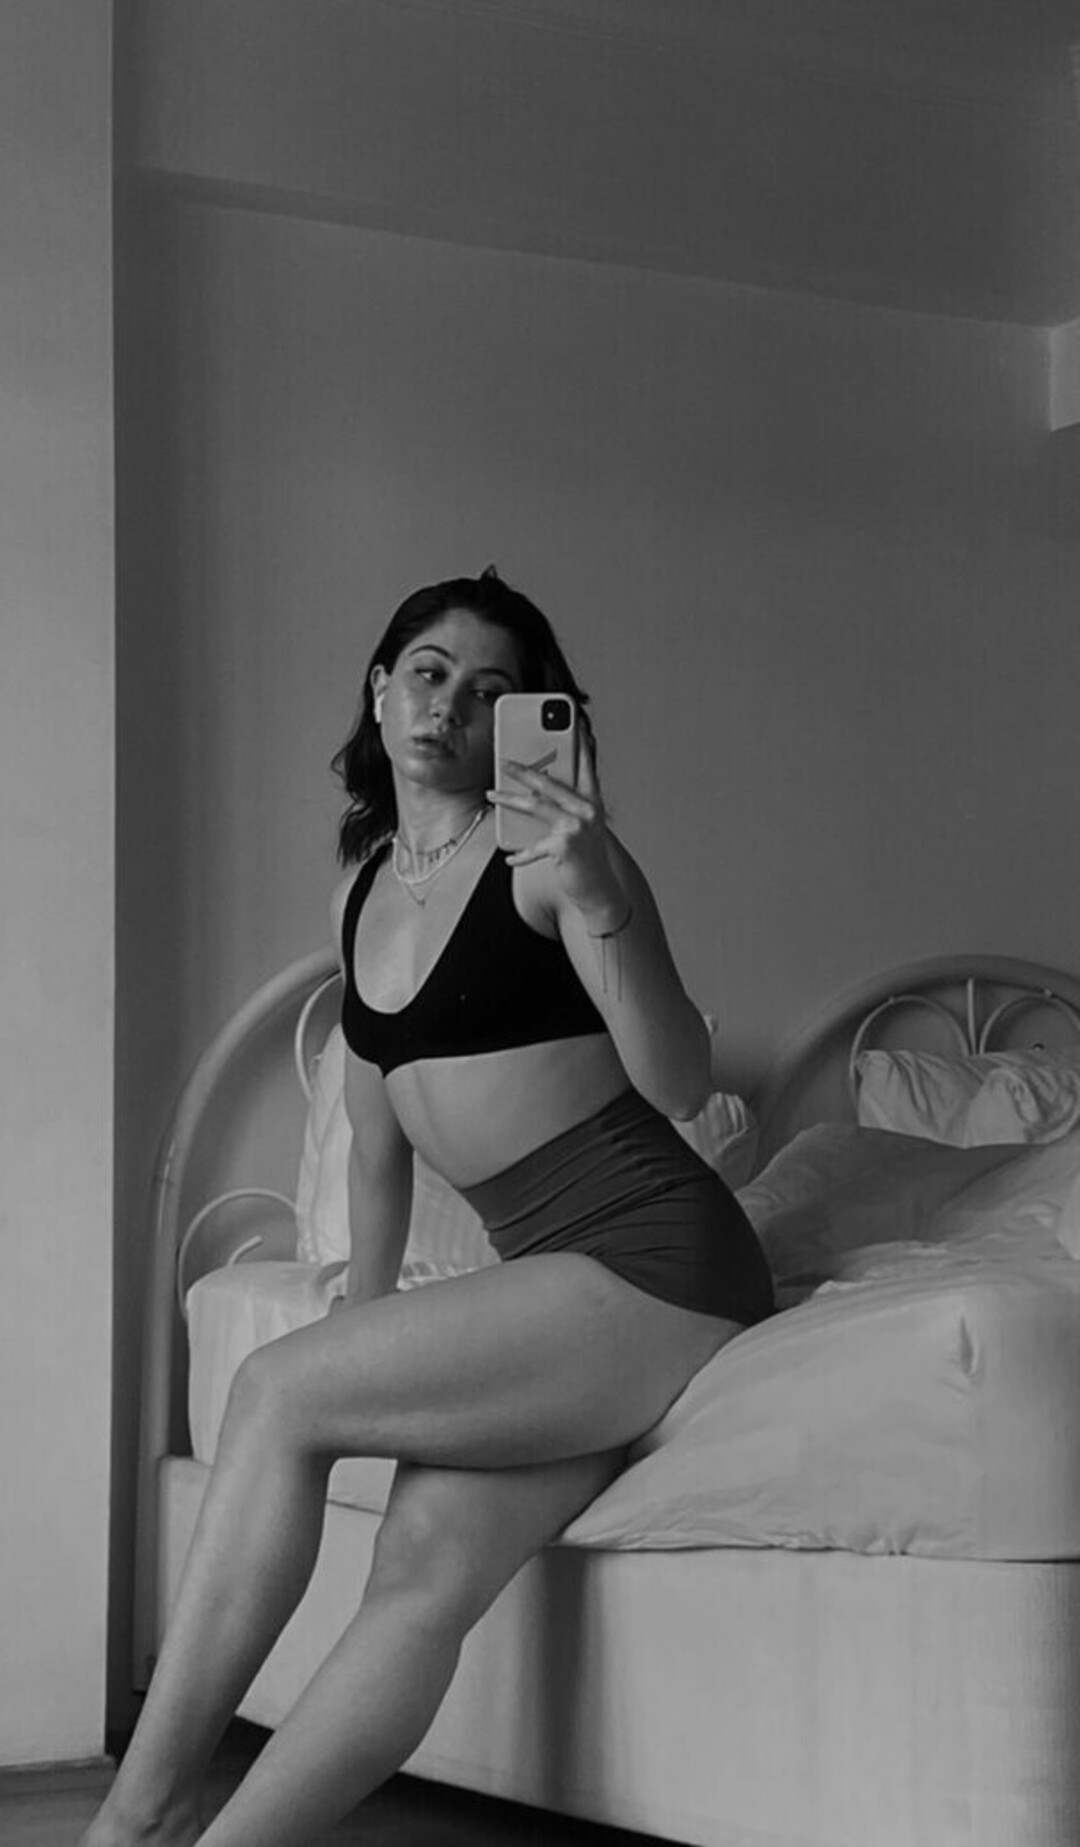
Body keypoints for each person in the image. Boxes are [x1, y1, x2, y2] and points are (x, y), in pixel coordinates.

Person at [84, 569, 774, 1847]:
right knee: (417, 1577)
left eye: (492, 689)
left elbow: (682, 1081)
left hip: (657, 1259)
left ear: (527, 723)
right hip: (550, 1289)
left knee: (271, 1390)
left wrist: (603, 892)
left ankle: (136, 1817)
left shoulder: (552, 864)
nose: (451, 703)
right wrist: (361, 1331)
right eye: (429, 671)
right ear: (381, 689)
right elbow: (376, 1142)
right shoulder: (361, 892)